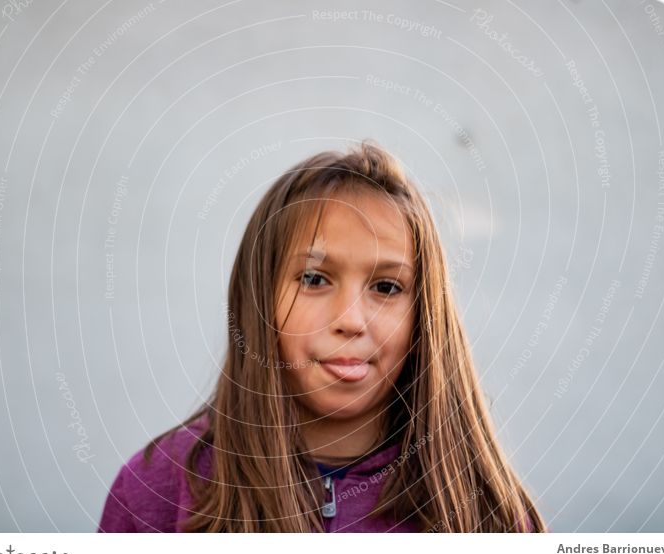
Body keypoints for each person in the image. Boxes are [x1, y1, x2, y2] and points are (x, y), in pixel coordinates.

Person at [98, 140, 546, 533]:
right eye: (314, 279)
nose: (351, 320)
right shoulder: (154, 492)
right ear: (260, 301)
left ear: (425, 320)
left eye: (387, 287)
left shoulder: (489, 515)